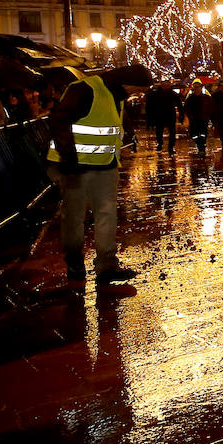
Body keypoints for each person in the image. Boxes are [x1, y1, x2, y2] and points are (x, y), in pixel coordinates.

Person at [46, 64, 153, 293]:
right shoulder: (85, 89)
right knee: (75, 218)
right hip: (75, 166)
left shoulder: (117, 94)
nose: (138, 94)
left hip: (105, 165)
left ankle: (107, 266)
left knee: (107, 214)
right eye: (137, 89)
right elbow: (59, 121)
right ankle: (75, 266)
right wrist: (68, 158)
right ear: (126, 81)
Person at [145, 81, 179, 153]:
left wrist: (181, 115)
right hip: (160, 115)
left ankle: (170, 147)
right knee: (159, 131)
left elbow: (179, 105)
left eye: (167, 85)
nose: (166, 87)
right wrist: (150, 117)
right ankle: (160, 143)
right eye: (164, 85)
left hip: (170, 115)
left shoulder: (173, 94)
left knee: (171, 132)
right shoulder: (155, 94)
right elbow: (149, 106)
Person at [183, 79, 211, 156]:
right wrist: (188, 116)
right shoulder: (190, 98)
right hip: (194, 119)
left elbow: (211, 107)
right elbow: (186, 108)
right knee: (194, 134)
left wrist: (210, 116)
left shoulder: (206, 97)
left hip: (203, 119)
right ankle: (200, 145)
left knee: (203, 134)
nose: (197, 89)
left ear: (201, 87)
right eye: (195, 87)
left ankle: (202, 148)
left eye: (198, 87)